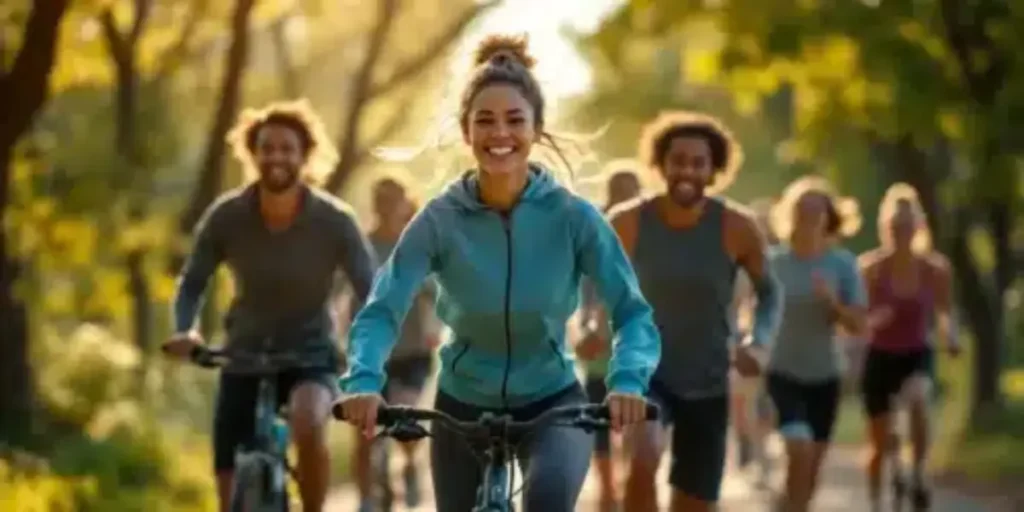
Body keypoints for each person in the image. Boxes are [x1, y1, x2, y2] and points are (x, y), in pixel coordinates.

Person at [336, 34, 661, 512]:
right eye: (484, 121)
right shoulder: (439, 219)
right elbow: (384, 306)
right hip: (461, 403)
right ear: (467, 133)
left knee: (547, 501)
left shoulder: (574, 217)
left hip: (553, 401)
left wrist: (628, 381)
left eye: (514, 120)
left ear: (536, 129)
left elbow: (631, 312)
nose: (499, 133)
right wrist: (364, 381)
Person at [163, 100, 377, 512]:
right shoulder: (227, 215)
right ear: (253, 154)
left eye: (287, 148)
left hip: (311, 354)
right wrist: (186, 329)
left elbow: (369, 289)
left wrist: (365, 352)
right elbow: (193, 281)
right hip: (242, 352)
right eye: (267, 148)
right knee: (227, 472)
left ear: (304, 156)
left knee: (307, 419)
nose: (276, 156)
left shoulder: (334, 220)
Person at [618, 111, 783, 512]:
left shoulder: (736, 227)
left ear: (714, 170)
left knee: (692, 505)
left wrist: (757, 341)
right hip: (644, 373)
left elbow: (770, 293)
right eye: (677, 161)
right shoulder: (629, 222)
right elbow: (591, 280)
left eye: (698, 162)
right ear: (661, 165)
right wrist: (588, 323)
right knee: (643, 456)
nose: (687, 171)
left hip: (707, 381)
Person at [764, 176, 868, 512]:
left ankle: (787, 504)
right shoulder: (772, 262)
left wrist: (832, 302)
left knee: (810, 473)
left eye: (816, 211)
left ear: (829, 218)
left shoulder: (842, 264)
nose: (807, 217)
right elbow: (750, 310)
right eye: (801, 210)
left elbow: (857, 325)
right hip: (782, 372)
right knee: (799, 447)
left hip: (825, 376)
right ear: (789, 214)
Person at [858, 183, 960, 511]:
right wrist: (875, 319)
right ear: (885, 228)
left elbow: (945, 312)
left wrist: (951, 337)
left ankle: (917, 473)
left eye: (906, 226)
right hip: (880, 356)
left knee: (918, 397)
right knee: (879, 442)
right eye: (894, 226)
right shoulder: (870, 268)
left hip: (916, 352)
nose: (900, 232)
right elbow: (857, 320)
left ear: (918, 227)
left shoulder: (935, 269)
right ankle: (877, 500)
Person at [352, 176, 441, 511]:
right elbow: (343, 289)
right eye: (381, 198)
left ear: (407, 202)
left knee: (405, 421)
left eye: (395, 198)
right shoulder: (361, 244)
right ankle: (367, 498)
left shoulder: (418, 244)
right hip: (370, 353)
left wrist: (435, 325)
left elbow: (438, 292)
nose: (388, 205)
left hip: (413, 348)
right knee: (364, 430)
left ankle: (409, 465)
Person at [575, 165, 643, 512]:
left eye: (631, 188)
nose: (625, 195)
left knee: (634, 418)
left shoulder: (653, 230)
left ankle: (626, 480)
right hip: (601, 339)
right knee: (598, 415)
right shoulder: (595, 232)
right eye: (619, 188)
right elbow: (583, 288)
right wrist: (587, 325)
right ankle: (606, 490)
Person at [730, 197, 779, 485]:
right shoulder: (739, 261)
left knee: (765, 405)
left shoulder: (776, 259)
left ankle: (761, 457)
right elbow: (737, 303)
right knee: (746, 399)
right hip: (745, 339)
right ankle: (746, 442)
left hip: (774, 342)